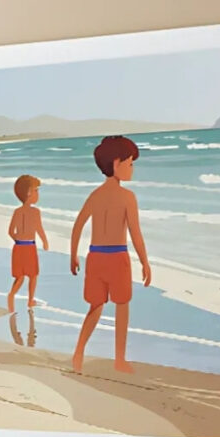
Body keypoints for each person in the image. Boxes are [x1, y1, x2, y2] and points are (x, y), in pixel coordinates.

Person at [69, 136, 151, 373]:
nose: (132, 168)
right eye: (130, 163)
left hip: (95, 257)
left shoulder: (95, 195)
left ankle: (78, 353)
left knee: (95, 307)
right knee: (122, 306)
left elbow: (78, 225)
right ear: (116, 163)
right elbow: (135, 233)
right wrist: (144, 262)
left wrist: (73, 255)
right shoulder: (127, 197)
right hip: (117, 257)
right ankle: (119, 359)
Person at [7, 174, 50, 313]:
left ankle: (11, 296)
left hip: (19, 247)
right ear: (28, 193)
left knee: (20, 277)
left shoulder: (17, 212)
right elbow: (39, 228)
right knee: (32, 275)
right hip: (30, 247)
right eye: (36, 190)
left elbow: (10, 231)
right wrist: (45, 241)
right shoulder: (35, 212)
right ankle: (30, 300)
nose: (38, 194)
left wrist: (18, 240)